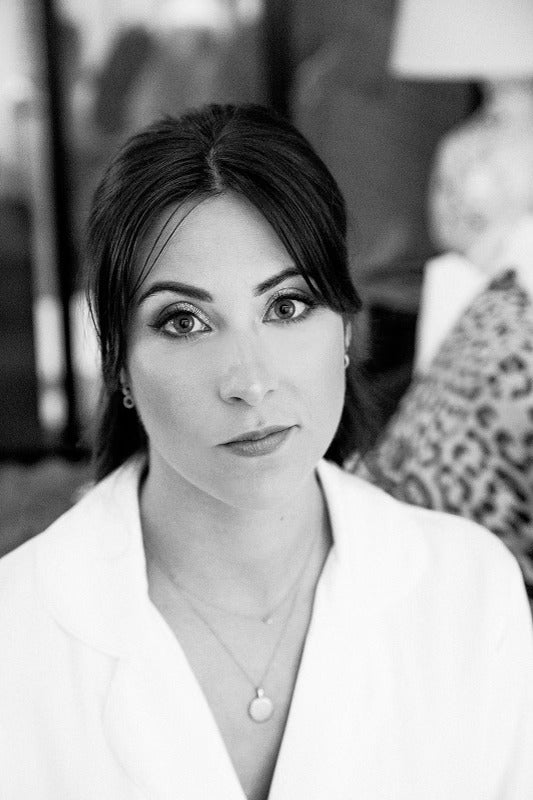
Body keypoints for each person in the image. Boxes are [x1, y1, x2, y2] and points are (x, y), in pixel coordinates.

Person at [0, 104, 532, 800]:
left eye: (286, 306)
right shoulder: (17, 635)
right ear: (119, 364)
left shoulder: (469, 593)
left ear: (345, 328)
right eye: (184, 321)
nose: (250, 382)